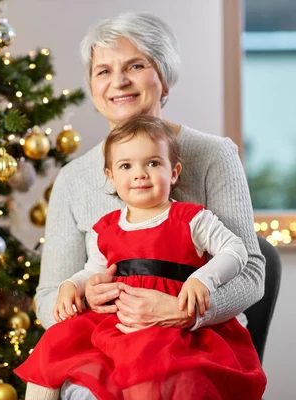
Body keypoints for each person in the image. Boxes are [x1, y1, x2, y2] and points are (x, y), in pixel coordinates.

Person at [33, 11, 266, 400]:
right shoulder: (74, 178)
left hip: (193, 343)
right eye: (103, 70)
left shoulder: (212, 155)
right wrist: (84, 299)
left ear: (164, 76)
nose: (118, 81)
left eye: (135, 65)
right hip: (106, 343)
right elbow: (47, 297)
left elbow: (252, 272)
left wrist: (186, 311)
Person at [15, 116, 266, 400]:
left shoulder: (191, 219)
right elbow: (94, 271)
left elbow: (236, 250)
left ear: (174, 172)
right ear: (111, 176)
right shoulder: (107, 228)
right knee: (55, 344)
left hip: (173, 330)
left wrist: (203, 280)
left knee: (162, 372)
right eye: (126, 166)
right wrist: (72, 286)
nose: (140, 174)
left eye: (153, 163)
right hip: (120, 324)